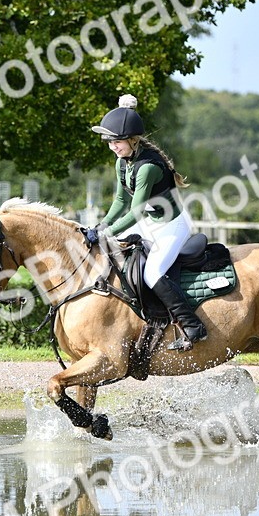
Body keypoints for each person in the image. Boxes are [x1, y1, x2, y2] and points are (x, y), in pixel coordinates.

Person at [87, 94, 208, 351]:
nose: (112, 147)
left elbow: (136, 211)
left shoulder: (147, 168)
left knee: (152, 273)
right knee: (111, 256)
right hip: (149, 222)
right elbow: (120, 202)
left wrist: (107, 232)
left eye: (116, 141)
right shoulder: (123, 162)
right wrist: (102, 226)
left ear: (131, 140)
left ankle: (192, 326)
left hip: (171, 226)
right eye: (109, 142)